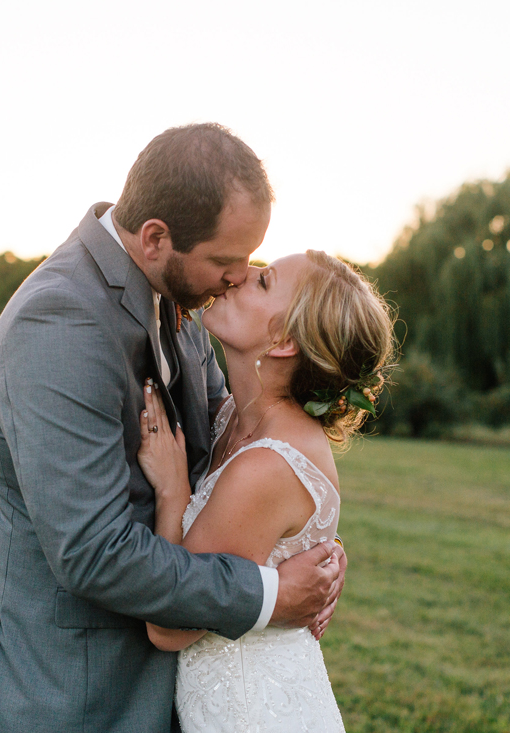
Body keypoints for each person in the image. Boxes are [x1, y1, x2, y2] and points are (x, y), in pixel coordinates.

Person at [0, 124, 347, 733]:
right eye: (226, 260)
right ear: (156, 237)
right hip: (77, 693)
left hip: (175, 685)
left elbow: (231, 452)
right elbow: (94, 551)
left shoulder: (184, 301)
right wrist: (270, 593)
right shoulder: (60, 323)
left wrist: (303, 544)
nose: (238, 276)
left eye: (251, 262)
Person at [136, 250, 397, 732]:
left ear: (284, 342)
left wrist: (173, 490)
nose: (240, 275)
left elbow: (168, 626)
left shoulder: (267, 465)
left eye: (263, 281)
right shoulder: (233, 417)